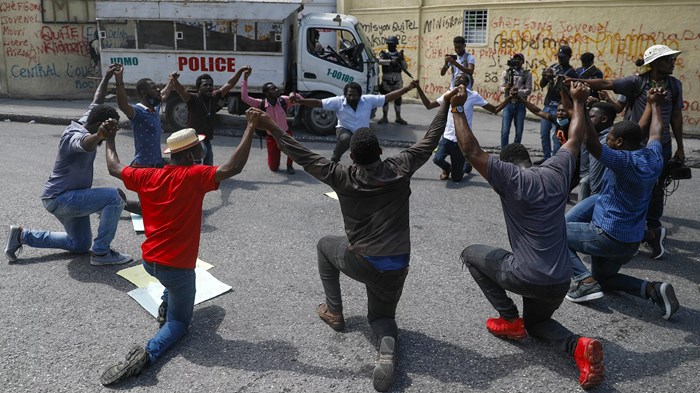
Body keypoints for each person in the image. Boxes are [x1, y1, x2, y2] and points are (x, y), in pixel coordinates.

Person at [249, 92, 449, 392]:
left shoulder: (340, 175)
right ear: (380, 150)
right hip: (397, 265)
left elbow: (302, 154)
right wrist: (446, 103)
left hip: (363, 261)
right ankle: (386, 349)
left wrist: (272, 127)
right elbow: (431, 137)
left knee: (324, 246)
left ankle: (334, 311)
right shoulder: (401, 167)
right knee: (381, 316)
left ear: (352, 157)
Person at [454, 81, 604, 390]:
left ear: (505, 166)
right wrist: (578, 102)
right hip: (561, 279)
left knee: (471, 254)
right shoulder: (557, 169)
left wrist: (456, 107)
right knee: (537, 325)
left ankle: (509, 319)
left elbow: (470, 150)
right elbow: (575, 137)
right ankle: (578, 346)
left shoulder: (509, 178)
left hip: (527, 275)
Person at [99, 114, 256, 386]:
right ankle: (147, 355)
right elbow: (234, 167)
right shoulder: (195, 175)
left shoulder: (148, 175)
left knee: (169, 283)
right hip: (178, 269)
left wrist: (109, 137)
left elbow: (114, 167)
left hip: (149, 261)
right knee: (180, 324)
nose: (202, 150)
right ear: (194, 152)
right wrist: (252, 127)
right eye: (199, 147)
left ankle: (166, 302)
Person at [563, 88, 680, 321]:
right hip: (630, 241)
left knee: (552, 232)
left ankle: (584, 282)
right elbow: (656, 132)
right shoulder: (654, 156)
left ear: (618, 142)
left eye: (609, 138)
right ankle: (652, 289)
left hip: (607, 234)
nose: (606, 140)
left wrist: (581, 106)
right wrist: (655, 105)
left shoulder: (622, 161)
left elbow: (589, 140)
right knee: (605, 280)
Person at [5, 66, 132, 266]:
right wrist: (99, 136)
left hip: (63, 197)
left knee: (79, 244)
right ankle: (101, 253)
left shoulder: (86, 120)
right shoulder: (75, 135)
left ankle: (23, 236)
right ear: (99, 125)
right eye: (110, 128)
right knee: (114, 197)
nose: (111, 131)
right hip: (61, 198)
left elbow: (97, 100)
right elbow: (84, 144)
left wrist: (108, 76)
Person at [569, 44, 684, 259]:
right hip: (637, 141)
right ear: (654, 63)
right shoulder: (637, 82)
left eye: (671, 58)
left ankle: (648, 230)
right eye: (667, 59)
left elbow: (675, 117)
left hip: (653, 144)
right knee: (624, 188)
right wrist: (582, 82)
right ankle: (644, 233)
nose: (672, 62)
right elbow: (607, 83)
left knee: (653, 190)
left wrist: (680, 148)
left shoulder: (675, 85)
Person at [291, 81, 417, 163]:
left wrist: (407, 88)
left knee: (368, 146)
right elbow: (318, 103)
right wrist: (300, 101)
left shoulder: (368, 100)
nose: (352, 97)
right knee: (346, 138)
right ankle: (335, 157)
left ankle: (362, 163)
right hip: (344, 129)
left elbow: (388, 97)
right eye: (349, 95)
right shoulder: (338, 101)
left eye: (355, 95)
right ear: (345, 94)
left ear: (360, 95)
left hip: (362, 132)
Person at [416, 73, 508, 182]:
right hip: (447, 137)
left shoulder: (473, 95)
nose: (458, 79)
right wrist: (418, 87)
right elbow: (429, 105)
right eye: (456, 77)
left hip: (461, 140)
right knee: (437, 159)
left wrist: (510, 97)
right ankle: (447, 168)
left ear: (467, 83)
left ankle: (466, 166)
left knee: (456, 178)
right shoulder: (448, 94)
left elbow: (495, 109)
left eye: (461, 78)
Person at [170, 69, 247, 166]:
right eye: (205, 85)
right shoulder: (193, 99)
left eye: (210, 85)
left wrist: (240, 71)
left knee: (209, 167)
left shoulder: (214, 97)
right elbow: (181, 91)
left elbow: (229, 84)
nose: (209, 87)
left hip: (207, 139)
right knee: (198, 165)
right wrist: (175, 80)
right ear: (198, 88)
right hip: (195, 141)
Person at [114, 65, 174, 168]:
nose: (158, 90)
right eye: (153, 88)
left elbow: (164, 94)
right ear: (143, 93)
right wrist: (119, 79)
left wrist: (171, 81)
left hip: (157, 164)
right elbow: (123, 106)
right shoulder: (138, 111)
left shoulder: (154, 109)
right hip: (142, 166)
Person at [239, 65, 295, 174]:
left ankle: (289, 165)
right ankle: (275, 163)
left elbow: (299, 100)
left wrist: (293, 94)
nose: (276, 89)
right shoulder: (260, 104)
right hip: (271, 136)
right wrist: (245, 79)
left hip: (286, 133)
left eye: (275, 87)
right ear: (267, 93)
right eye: (273, 89)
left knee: (292, 152)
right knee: (273, 167)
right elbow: (244, 97)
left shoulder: (283, 100)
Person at [537, 45, 578, 163]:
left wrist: (555, 78)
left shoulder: (572, 72)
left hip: (560, 108)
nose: (560, 59)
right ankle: (546, 158)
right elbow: (542, 84)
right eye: (559, 57)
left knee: (557, 136)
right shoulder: (553, 67)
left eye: (563, 57)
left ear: (569, 57)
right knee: (544, 134)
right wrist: (545, 77)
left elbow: (569, 89)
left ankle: (555, 161)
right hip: (548, 105)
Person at [577, 102, 616, 201]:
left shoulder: (609, 140)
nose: (587, 121)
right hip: (590, 186)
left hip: (601, 194)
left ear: (604, 119)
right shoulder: (590, 135)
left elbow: (596, 180)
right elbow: (585, 169)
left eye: (591, 117)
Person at [499, 53, 532, 148]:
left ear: (522, 61)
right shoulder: (506, 72)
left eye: (519, 59)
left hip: (520, 104)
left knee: (519, 131)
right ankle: (504, 151)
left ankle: (515, 152)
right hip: (508, 104)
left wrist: (518, 93)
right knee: (505, 131)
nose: (517, 61)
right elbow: (501, 87)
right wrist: (506, 89)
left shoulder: (526, 74)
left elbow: (528, 90)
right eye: (515, 59)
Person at [377, 36, 409, 125]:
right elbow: (378, 61)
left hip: (397, 78)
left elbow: (405, 67)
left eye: (392, 44)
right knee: (385, 97)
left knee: (398, 97)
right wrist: (390, 61)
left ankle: (398, 117)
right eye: (389, 44)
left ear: (395, 45)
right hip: (386, 78)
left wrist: (401, 59)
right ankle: (384, 117)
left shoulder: (399, 55)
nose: (389, 46)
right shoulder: (383, 53)